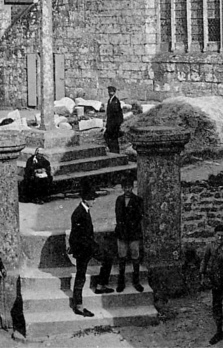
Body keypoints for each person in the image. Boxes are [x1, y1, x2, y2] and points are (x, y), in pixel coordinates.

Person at [69, 178, 114, 316]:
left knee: (108, 258)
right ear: (86, 199)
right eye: (92, 198)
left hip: (88, 247)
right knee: (80, 276)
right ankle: (79, 305)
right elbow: (76, 236)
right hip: (83, 250)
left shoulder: (84, 210)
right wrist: (85, 247)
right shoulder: (79, 213)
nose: (94, 201)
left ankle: (100, 285)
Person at [114, 176, 144, 293]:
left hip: (133, 233)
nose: (127, 189)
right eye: (125, 187)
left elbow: (139, 216)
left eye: (129, 187)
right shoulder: (119, 200)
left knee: (135, 257)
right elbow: (118, 216)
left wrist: (131, 225)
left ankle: (136, 281)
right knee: (122, 257)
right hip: (122, 233)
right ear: (122, 188)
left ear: (132, 187)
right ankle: (121, 282)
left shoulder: (138, 200)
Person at [104, 85, 123, 153]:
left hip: (114, 125)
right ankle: (113, 150)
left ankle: (115, 152)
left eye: (111, 91)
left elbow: (116, 114)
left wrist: (117, 124)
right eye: (109, 91)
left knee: (113, 138)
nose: (110, 93)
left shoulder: (115, 101)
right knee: (108, 137)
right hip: (110, 124)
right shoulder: (110, 100)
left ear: (114, 92)